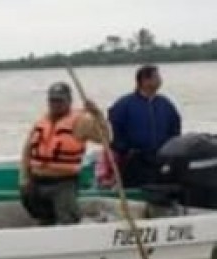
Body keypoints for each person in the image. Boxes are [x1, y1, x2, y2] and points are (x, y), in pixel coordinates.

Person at [19, 82, 107, 226]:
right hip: (37, 181)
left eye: (60, 100)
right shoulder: (41, 122)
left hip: (63, 183)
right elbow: (27, 152)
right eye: (52, 100)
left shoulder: (81, 122)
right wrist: (24, 180)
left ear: (69, 101)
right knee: (43, 219)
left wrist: (98, 115)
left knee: (67, 221)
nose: (55, 104)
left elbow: (106, 138)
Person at [108, 65, 182, 187]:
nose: (160, 80)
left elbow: (175, 127)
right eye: (156, 77)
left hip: (160, 159)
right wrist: (124, 149)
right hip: (134, 160)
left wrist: (170, 149)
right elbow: (113, 130)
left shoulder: (165, 104)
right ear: (144, 80)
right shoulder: (124, 104)